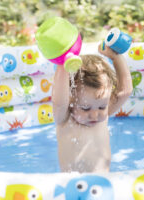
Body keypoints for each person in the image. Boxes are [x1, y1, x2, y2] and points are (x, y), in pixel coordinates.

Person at [52, 42, 133, 173]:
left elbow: (125, 91)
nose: (95, 115)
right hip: (73, 185)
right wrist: (63, 66)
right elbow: (59, 101)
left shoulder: (104, 114)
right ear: (71, 99)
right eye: (85, 108)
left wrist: (116, 57)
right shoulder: (65, 118)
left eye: (102, 107)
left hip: (103, 182)